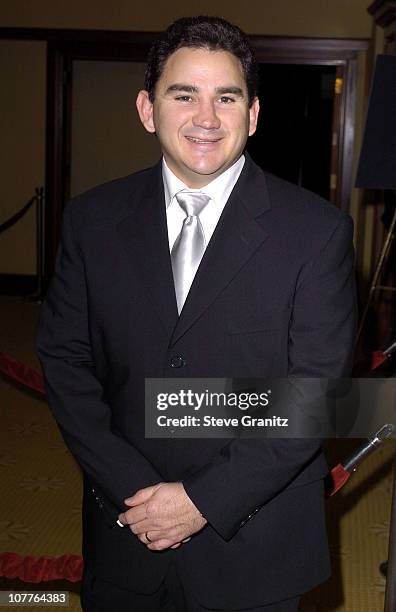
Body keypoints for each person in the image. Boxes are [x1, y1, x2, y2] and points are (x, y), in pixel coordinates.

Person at [37, 15, 357, 612]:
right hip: (125, 527)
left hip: (256, 542)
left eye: (226, 97)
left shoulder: (317, 234)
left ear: (253, 114)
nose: (206, 118)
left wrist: (200, 501)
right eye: (184, 94)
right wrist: (136, 491)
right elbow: (65, 360)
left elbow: (315, 397)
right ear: (146, 108)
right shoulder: (91, 221)